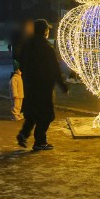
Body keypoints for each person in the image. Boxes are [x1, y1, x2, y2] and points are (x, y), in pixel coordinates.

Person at [16, 19, 69, 151]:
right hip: (44, 87)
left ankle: (23, 134)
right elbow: (54, 68)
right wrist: (62, 85)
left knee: (33, 112)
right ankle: (40, 141)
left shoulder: (27, 45)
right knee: (47, 115)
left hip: (30, 85)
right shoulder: (47, 47)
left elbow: (20, 61)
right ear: (45, 31)